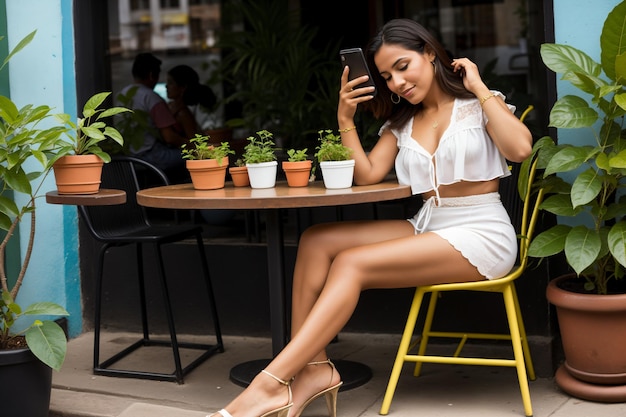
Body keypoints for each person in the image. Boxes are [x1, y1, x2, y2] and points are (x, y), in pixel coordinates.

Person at [207, 18, 532, 417]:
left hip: (482, 232)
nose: (396, 82)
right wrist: (345, 119)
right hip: (430, 223)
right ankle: (314, 369)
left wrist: (478, 87)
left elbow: (519, 149)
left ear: (430, 53)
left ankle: (268, 385)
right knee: (317, 239)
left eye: (402, 66)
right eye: (385, 76)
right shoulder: (403, 123)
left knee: (351, 263)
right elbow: (368, 174)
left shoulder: (479, 104)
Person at [118, 52, 189, 181]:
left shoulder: (123, 94)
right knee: (195, 156)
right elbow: (169, 137)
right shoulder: (152, 98)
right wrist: (194, 146)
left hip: (129, 156)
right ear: (152, 75)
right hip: (152, 156)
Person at [165, 64, 218, 138]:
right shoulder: (170, 106)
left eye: (170, 83)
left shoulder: (184, 113)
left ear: (183, 87)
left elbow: (194, 141)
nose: (166, 86)